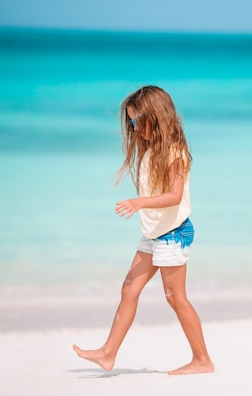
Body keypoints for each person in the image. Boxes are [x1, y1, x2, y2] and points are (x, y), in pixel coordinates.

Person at [73, 85, 214, 375]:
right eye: (131, 122)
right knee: (129, 288)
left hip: (173, 233)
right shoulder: (150, 148)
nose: (135, 128)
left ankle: (202, 360)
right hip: (153, 234)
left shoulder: (176, 151)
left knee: (176, 298)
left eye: (138, 121)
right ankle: (108, 353)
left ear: (157, 117)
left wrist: (139, 202)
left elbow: (174, 196)